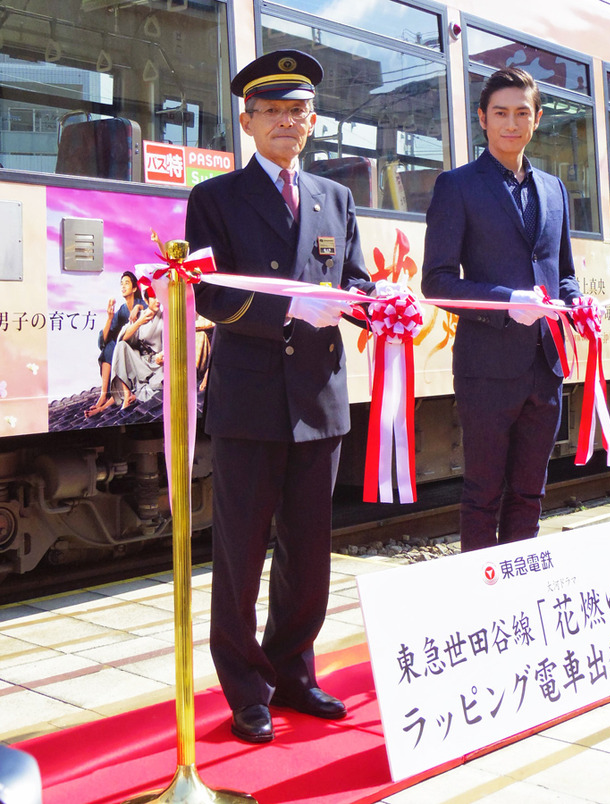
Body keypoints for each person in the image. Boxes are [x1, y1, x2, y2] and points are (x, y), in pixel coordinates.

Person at [185, 49, 375, 744]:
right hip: (251, 396)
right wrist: (287, 312)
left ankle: (295, 671)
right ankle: (246, 688)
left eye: (300, 111)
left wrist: (372, 304)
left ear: (314, 121)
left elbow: (351, 279)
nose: (289, 123)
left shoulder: (335, 197)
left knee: (310, 549)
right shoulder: (215, 198)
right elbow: (206, 292)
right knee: (241, 552)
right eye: (274, 111)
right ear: (247, 120)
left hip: (318, 396)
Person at [422, 67, 583, 553]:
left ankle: (520, 589)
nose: (511, 123)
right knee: (483, 494)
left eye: (521, 113)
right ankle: (480, 596)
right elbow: (437, 283)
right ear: (482, 120)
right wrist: (509, 303)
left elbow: (565, 272)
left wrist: (575, 303)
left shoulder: (554, 190)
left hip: (546, 368)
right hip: (486, 370)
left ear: (536, 120)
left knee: (531, 493)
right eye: (500, 113)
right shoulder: (458, 186)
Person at [85, 271, 145, 417]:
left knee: (118, 346)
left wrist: (138, 308)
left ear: (135, 288)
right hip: (123, 348)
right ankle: (103, 395)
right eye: (121, 283)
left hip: (139, 350)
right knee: (109, 346)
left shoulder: (141, 304)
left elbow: (150, 310)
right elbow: (104, 339)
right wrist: (109, 318)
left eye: (127, 283)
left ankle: (105, 402)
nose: (123, 286)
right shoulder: (122, 310)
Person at [110, 289, 164, 409]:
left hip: (157, 364)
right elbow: (123, 337)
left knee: (162, 385)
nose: (158, 301)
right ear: (146, 300)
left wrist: (162, 356)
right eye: (154, 298)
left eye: (159, 297)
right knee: (120, 346)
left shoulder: (165, 317)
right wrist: (139, 322)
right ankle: (127, 393)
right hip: (141, 361)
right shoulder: (139, 315)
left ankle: (138, 395)